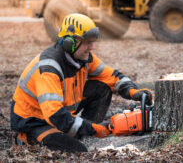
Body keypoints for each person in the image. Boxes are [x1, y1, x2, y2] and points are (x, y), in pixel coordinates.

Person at [10, 13, 152, 153]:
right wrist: (93, 129)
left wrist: (132, 91)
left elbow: (111, 76)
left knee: (102, 88)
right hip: (34, 123)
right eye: (87, 42)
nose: (91, 47)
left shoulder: (83, 58)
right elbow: (55, 115)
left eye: (92, 42)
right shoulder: (49, 68)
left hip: (59, 115)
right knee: (78, 151)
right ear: (70, 42)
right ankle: (27, 139)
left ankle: (82, 133)